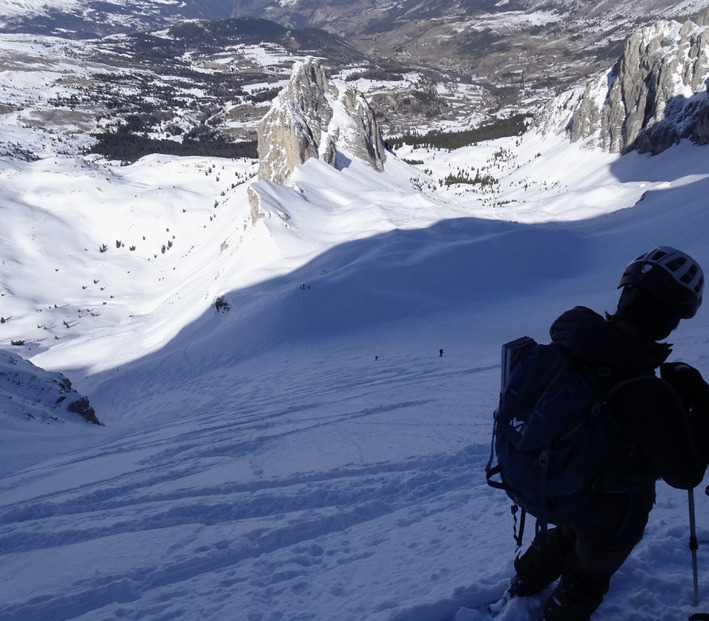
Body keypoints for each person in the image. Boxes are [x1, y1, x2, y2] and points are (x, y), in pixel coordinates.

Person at [509, 246, 709, 620]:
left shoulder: (575, 344)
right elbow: (686, 473)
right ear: (669, 313)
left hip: (565, 483)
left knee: (569, 533)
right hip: (615, 508)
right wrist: (703, 413)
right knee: (588, 574)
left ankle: (522, 585)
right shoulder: (647, 391)